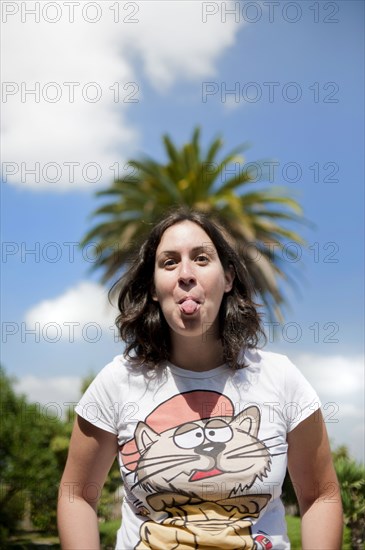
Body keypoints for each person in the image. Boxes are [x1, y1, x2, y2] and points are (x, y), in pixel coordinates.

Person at [57, 208, 343, 549]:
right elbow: (77, 495)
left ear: (228, 279)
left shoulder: (282, 379)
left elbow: (320, 495)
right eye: (169, 262)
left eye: (202, 258)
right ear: (152, 287)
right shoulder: (116, 382)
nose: (185, 274)